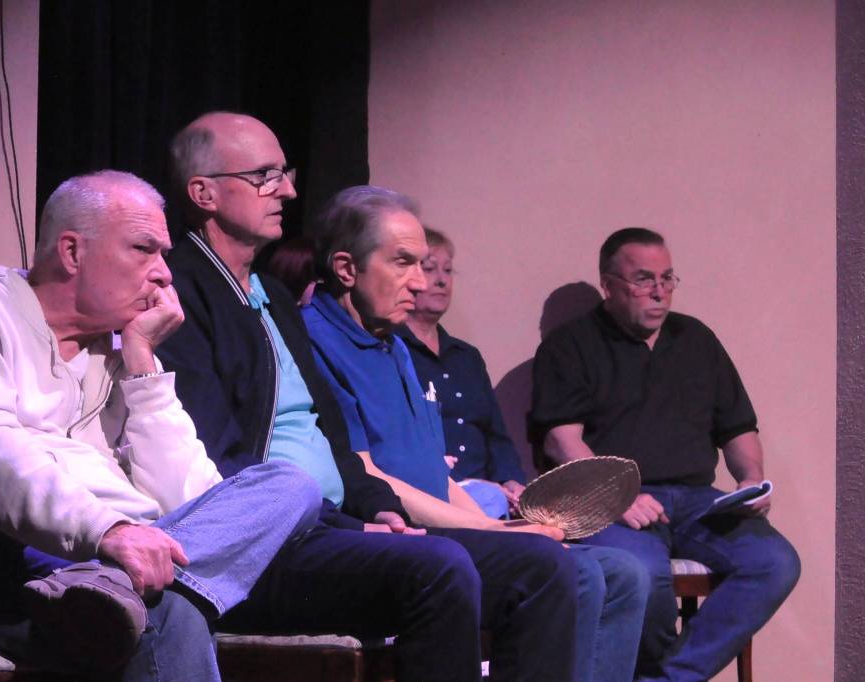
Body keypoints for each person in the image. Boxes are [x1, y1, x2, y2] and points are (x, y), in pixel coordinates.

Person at [158, 111, 579, 682]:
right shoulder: (180, 292)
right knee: (440, 566)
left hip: (335, 526)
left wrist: (374, 503)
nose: (288, 189)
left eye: (285, 172)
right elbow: (218, 460)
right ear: (204, 192)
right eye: (265, 176)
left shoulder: (273, 296)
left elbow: (331, 436)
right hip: (265, 543)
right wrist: (350, 528)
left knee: (543, 566)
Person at [0, 170, 321, 682]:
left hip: (96, 556)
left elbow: (186, 501)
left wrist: (144, 363)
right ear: (72, 252)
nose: (165, 274)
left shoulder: (119, 351)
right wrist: (109, 530)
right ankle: (114, 584)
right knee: (164, 614)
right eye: (144, 249)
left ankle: (112, 583)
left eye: (165, 254)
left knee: (290, 484)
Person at [302, 185, 649, 682]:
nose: (420, 283)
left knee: (625, 574)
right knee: (575, 574)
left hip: (447, 521)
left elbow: (433, 471)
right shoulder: (316, 342)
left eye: (425, 265)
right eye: (403, 263)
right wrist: (488, 531)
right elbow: (366, 474)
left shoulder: (394, 342)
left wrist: (503, 529)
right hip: (396, 535)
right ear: (346, 268)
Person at [529, 227, 801, 681]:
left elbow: (739, 429)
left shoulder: (696, 339)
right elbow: (561, 441)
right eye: (642, 279)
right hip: (616, 505)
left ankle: (665, 679)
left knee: (775, 563)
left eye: (667, 278)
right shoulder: (570, 345)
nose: (659, 292)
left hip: (697, 501)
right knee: (641, 575)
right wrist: (614, 498)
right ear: (608, 284)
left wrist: (751, 478)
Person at [397, 226, 527, 519]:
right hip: (434, 496)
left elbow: (496, 434)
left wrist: (512, 482)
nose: (442, 280)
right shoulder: (390, 350)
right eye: (429, 269)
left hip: (491, 495)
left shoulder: (467, 356)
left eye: (448, 270)